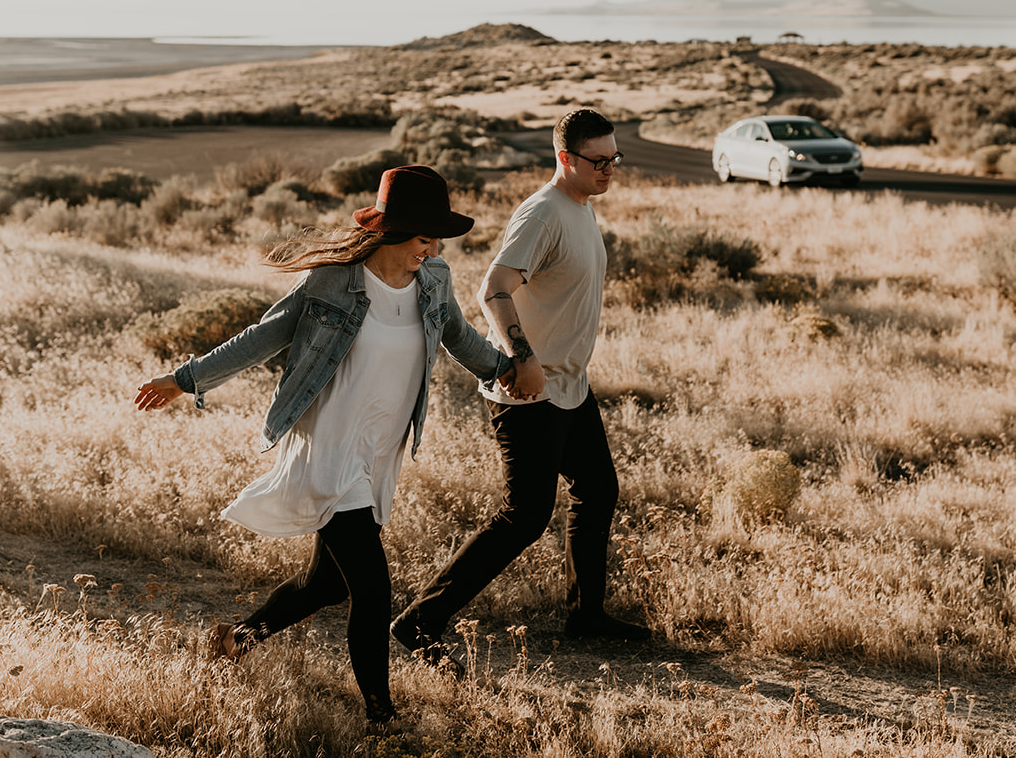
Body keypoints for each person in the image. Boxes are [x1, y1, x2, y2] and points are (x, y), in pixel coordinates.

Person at [133, 165, 510, 728]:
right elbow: (262, 336)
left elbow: (458, 336)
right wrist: (185, 379)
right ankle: (382, 716)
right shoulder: (333, 282)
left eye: (437, 240)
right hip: (330, 447)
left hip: (379, 451)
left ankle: (235, 639)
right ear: (391, 231)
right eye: (423, 238)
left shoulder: (434, 280)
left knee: (325, 584)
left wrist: (506, 369)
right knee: (373, 590)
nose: (430, 250)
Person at [390, 108, 650, 659]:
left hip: (570, 388)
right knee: (524, 517)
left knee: (597, 490)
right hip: (529, 392)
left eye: (614, 159)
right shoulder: (543, 213)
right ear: (565, 158)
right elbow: (494, 287)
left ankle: (587, 616)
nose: (609, 170)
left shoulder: (580, 207)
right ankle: (418, 624)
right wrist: (521, 356)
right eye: (598, 161)